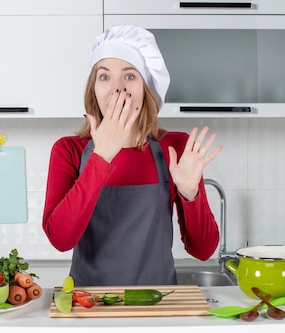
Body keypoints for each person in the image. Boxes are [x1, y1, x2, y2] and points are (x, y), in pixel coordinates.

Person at [42, 24, 222, 286]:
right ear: (94, 88)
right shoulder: (69, 150)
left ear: (146, 88)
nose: (117, 88)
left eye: (129, 76)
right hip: (91, 309)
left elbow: (203, 251)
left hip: (158, 306)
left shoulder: (175, 148)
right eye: (104, 77)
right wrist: (101, 157)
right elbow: (60, 239)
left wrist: (189, 193)